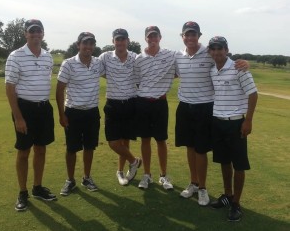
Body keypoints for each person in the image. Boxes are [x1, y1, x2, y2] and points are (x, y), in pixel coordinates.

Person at [175, 21, 249, 206]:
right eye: (187, 34)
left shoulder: (208, 54)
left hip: (204, 107)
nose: (190, 37)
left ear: (199, 36)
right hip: (184, 107)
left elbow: (226, 61)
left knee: (200, 149)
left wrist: (244, 62)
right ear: (182, 36)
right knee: (189, 147)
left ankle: (202, 188)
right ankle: (193, 182)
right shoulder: (178, 56)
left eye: (193, 34)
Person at [5, 19, 56, 211]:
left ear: (43, 33)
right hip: (24, 109)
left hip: (44, 109)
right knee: (24, 151)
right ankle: (23, 192)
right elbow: (9, 88)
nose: (35, 34)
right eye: (31, 31)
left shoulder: (48, 57)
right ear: (26, 34)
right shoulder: (16, 56)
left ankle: (37, 187)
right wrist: (18, 117)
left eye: (39, 31)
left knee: (41, 149)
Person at [208, 36, 258, 221]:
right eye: (213, 48)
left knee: (238, 164)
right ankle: (228, 195)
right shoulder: (213, 70)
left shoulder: (239, 68)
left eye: (220, 48)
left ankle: (236, 203)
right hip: (218, 122)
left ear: (226, 49)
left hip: (236, 122)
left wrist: (248, 121)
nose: (216, 52)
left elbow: (253, 94)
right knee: (224, 161)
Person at [56, 32, 103, 196]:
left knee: (89, 147)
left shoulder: (98, 63)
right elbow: (59, 90)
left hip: (92, 112)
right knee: (71, 148)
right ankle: (70, 180)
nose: (88, 47)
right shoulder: (68, 64)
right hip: (73, 112)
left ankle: (87, 177)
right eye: (85, 43)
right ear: (78, 45)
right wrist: (62, 115)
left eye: (91, 44)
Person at [134, 26, 176, 190]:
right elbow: (137, 80)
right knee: (145, 139)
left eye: (155, 36)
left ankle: (163, 176)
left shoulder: (169, 55)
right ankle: (146, 175)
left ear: (160, 37)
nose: (152, 39)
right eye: (149, 36)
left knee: (161, 140)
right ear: (146, 38)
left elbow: (178, 70)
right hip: (143, 102)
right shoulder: (139, 58)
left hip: (160, 103)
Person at [99, 28, 141, 186]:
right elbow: (101, 72)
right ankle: (134, 161)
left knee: (125, 141)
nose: (120, 42)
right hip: (113, 103)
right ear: (113, 41)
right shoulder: (105, 57)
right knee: (113, 142)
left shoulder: (135, 58)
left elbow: (140, 77)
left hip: (130, 103)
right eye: (117, 39)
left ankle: (121, 171)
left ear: (127, 41)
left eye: (123, 39)